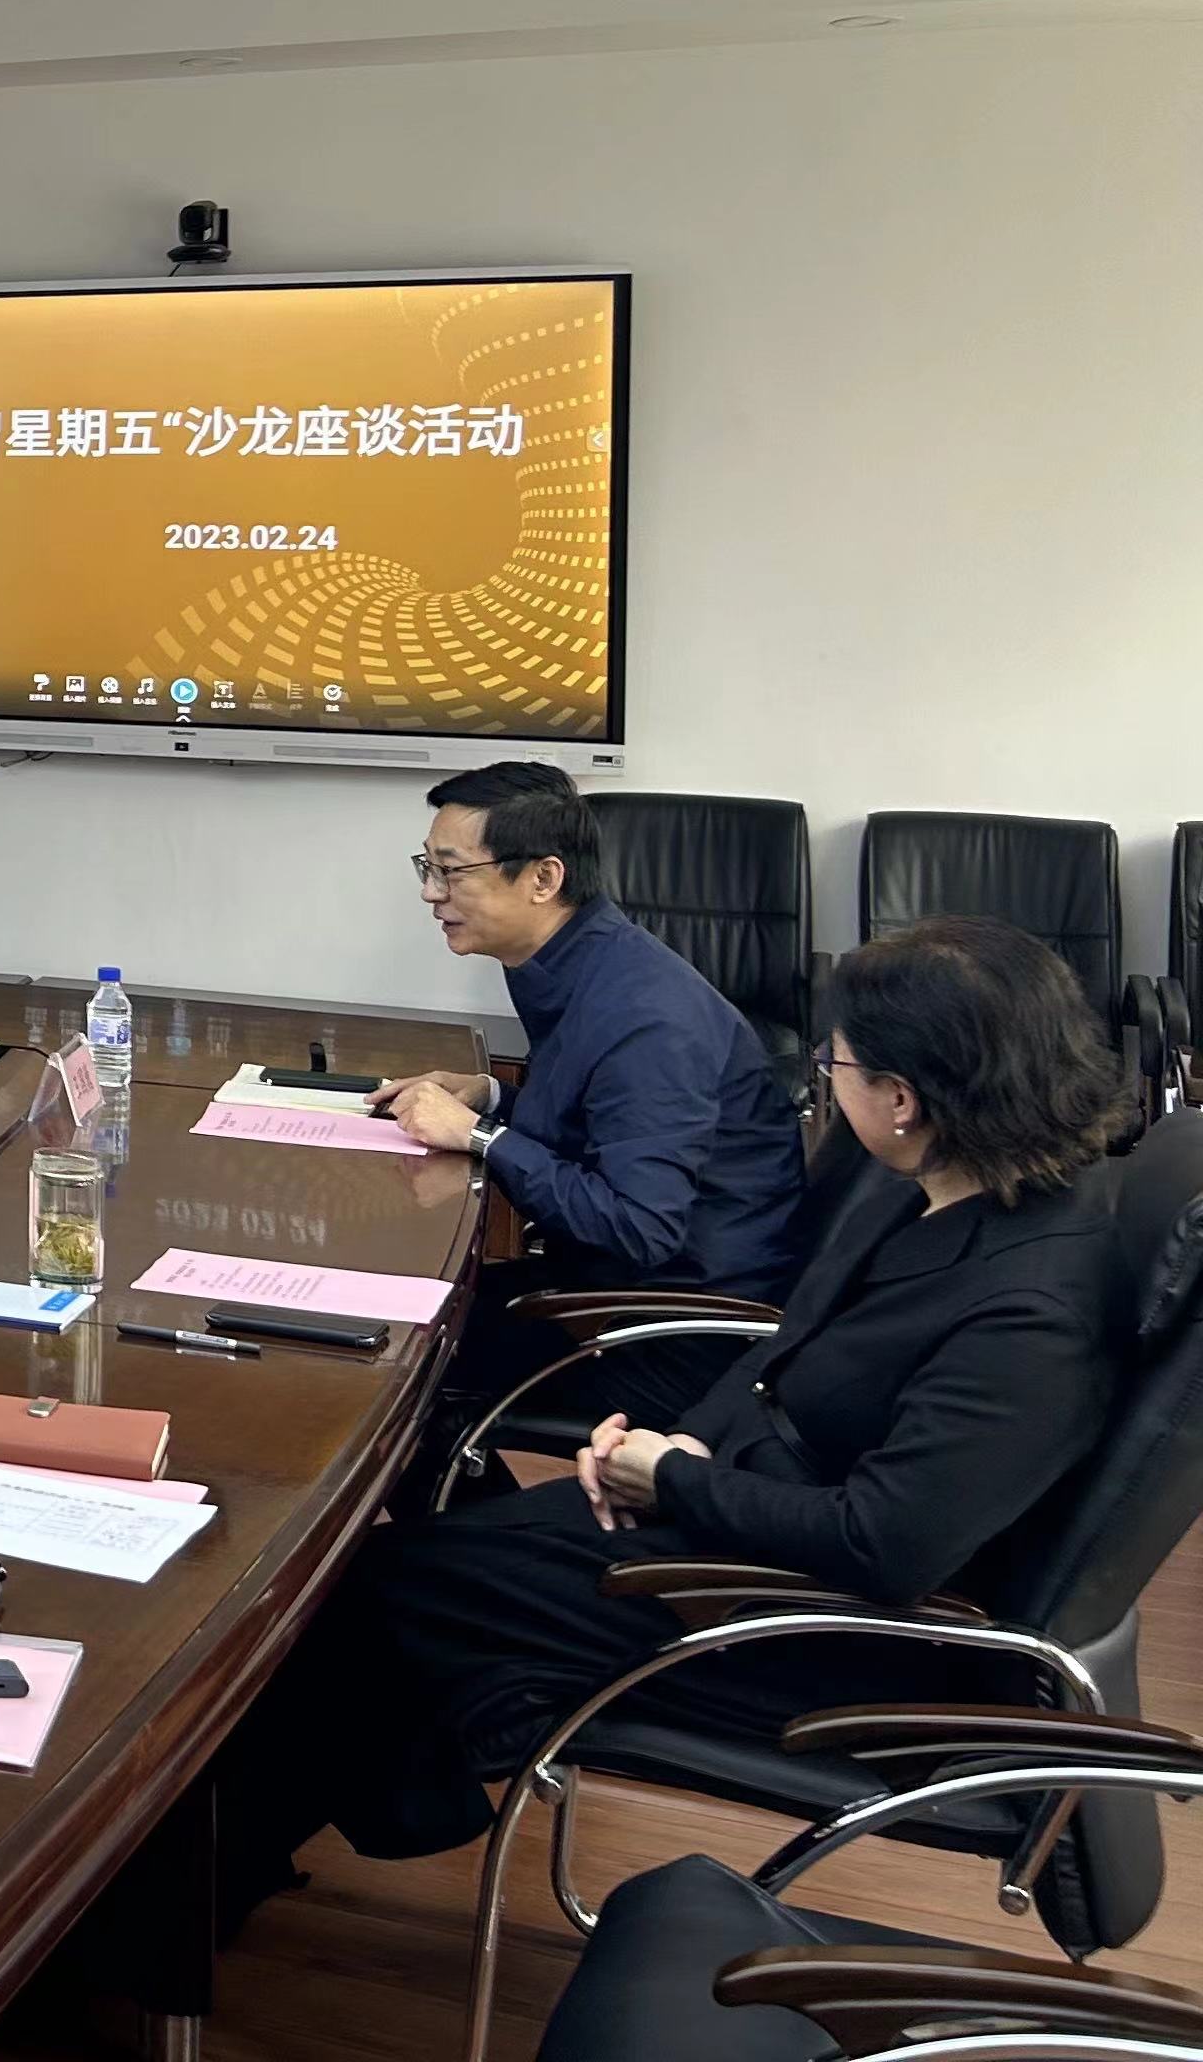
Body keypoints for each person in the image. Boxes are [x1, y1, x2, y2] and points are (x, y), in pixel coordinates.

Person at [208, 916, 1133, 1931]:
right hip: (733, 1515)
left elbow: (884, 1545)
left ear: (904, 1099)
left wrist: (677, 1478)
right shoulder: (931, 1187)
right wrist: (687, 1438)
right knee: (375, 1578)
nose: (827, 1081)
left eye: (837, 1065)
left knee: (368, 1599)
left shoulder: (1032, 1312)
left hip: (810, 1628)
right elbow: (783, 1342)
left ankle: (191, 1906)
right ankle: (257, 1859)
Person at [370, 760, 809, 1436]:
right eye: (427, 867)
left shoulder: (646, 1017)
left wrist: (479, 1136)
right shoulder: (576, 959)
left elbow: (639, 1225)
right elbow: (597, 1122)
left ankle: (456, 1502)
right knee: (395, 1312)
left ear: (544, 879)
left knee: (394, 1366)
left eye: (451, 872)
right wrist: (492, 1097)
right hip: (609, 1287)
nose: (432, 893)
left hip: (671, 1328)